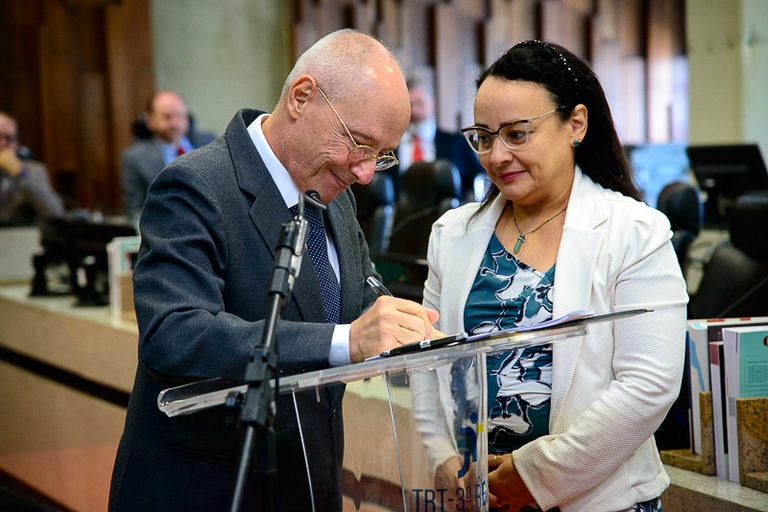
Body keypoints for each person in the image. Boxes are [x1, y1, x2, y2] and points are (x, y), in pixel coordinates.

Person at [108, 29, 438, 512]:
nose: (366, 173)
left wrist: (412, 332)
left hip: (309, 484)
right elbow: (173, 333)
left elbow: (358, 299)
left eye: (381, 155)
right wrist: (345, 341)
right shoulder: (194, 185)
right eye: (360, 143)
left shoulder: (334, 193)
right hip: (209, 489)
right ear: (302, 97)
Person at [420, 40, 688, 511]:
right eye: (483, 136)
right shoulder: (452, 234)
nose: (497, 156)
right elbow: (426, 366)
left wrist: (534, 475)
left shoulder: (635, 232)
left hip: (602, 500)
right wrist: (442, 460)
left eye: (517, 134)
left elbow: (650, 385)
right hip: (475, 494)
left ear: (575, 125)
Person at [120, 90, 216, 223]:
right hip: (167, 227)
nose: (175, 124)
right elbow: (135, 212)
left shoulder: (209, 143)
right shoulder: (135, 158)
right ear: (150, 120)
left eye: (180, 116)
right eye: (167, 117)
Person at [384, 76, 484, 200]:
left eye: (420, 103)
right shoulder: (388, 147)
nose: (414, 111)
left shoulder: (457, 143)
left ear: (432, 103)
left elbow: (478, 178)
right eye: (409, 105)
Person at [0, 111, 64, 224]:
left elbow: (55, 213)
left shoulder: (33, 171)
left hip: (20, 234)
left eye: (9, 138)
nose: (2, 144)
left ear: (17, 143)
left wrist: (22, 174)